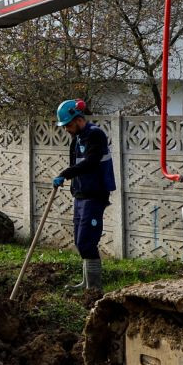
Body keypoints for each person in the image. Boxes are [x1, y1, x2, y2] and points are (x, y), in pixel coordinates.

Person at [52, 99, 116, 292]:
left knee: (86, 242)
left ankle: (95, 288)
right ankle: (86, 283)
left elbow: (91, 163)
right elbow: (76, 164)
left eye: (68, 125)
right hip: (80, 195)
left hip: (94, 195)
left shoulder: (95, 135)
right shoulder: (78, 138)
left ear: (78, 119)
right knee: (80, 241)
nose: (66, 129)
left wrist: (64, 174)